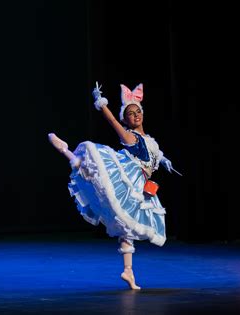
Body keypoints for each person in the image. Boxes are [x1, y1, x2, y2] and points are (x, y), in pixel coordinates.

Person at [48, 82, 175, 289]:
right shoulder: (131, 137)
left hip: (142, 182)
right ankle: (67, 152)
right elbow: (113, 122)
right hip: (130, 176)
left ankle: (128, 271)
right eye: (130, 114)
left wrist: (163, 160)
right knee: (97, 177)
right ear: (126, 119)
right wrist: (101, 103)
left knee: (127, 226)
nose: (135, 116)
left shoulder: (149, 139)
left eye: (137, 112)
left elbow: (155, 152)